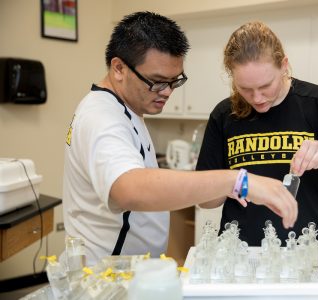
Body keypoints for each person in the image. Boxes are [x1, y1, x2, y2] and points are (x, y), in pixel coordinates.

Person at [62, 12, 298, 266]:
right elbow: (128, 189)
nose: (167, 92)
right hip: (104, 275)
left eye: (175, 81)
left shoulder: (125, 110)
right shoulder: (101, 117)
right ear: (119, 68)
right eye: (157, 82)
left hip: (126, 269)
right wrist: (237, 180)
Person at [196, 21, 318, 246]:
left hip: (308, 254)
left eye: (266, 85)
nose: (257, 98)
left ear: (284, 66)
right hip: (241, 256)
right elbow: (206, 202)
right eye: (246, 89)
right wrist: (232, 184)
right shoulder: (224, 115)